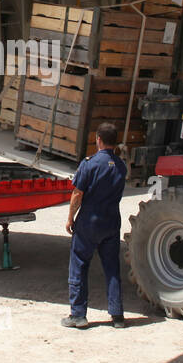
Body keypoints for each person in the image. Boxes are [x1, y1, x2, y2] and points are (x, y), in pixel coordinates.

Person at [63, 122, 127, 329]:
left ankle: (78, 315)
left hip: (90, 222)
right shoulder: (121, 165)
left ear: (98, 139)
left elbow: (77, 194)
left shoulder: (89, 164)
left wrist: (70, 217)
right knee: (112, 268)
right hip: (112, 221)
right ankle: (117, 315)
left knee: (79, 264)